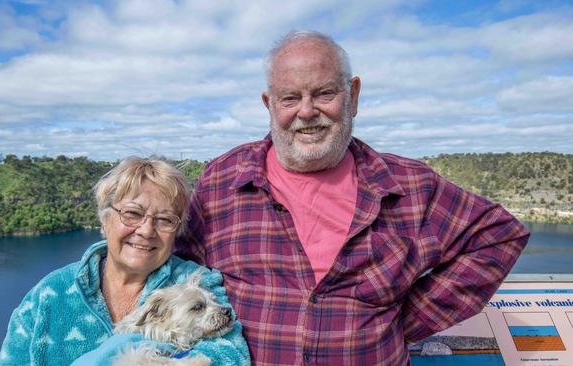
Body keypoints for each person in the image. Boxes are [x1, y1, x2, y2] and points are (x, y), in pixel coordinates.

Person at [175, 31, 530, 365]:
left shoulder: (410, 187)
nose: (307, 111)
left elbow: (498, 235)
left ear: (354, 95)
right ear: (269, 104)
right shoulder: (222, 180)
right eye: (290, 98)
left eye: (325, 93)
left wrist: (407, 320)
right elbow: (176, 268)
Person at [0, 157, 249, 366]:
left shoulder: (197, 282)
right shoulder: (49, 295)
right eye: (132, 214)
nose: (146, 230)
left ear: (177, 231)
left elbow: (231, 355)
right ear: (105, 220)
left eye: (164, 219)